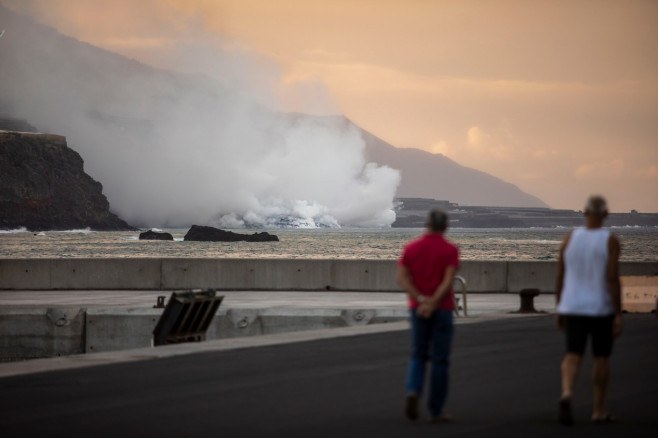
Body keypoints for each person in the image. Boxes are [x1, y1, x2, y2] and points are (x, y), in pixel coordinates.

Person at [555, 195, 622, 426]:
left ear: (585, 212)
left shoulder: (569, 238)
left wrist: (560, 307)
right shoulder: (610, 240)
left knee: (573, 354)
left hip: (573, 306)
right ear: (605, 214)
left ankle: (566, 391)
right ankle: (598, 410)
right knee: (601, 358)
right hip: (600, 307)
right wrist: (618, 313)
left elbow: (560, 275)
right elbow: (612, 279)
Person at [397, 209, 459, 423]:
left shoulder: (411, 248)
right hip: (442, 309)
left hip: (418, 308)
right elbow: (448, 280)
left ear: (426, 224)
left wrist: (422, 300)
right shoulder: (450, 250)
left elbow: (403, 279)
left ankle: (413, 390)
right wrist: (433, 302)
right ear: (445, 226)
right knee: (440, 360)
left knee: (418, 354)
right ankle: (436, 410)